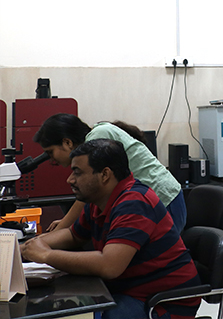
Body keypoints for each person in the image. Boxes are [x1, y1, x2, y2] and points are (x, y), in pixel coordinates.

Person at [21, 139, 200, 319]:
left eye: (77, 172)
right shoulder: (99, 200)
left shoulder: (134, 202)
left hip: (163, 302)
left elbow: (109, 266)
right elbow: (73, 235)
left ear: (105, 174)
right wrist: (26, 248)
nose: (70, 179)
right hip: (130, 288)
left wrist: (46, 255)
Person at [33, 114, 186, 233]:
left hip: (164, 199)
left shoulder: (98, 137)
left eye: (50, 152)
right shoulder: (95, 138)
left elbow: (89, 192)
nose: (51, 159)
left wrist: (59, 230)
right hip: (148, 201)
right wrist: (66, 223)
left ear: (67, 142)